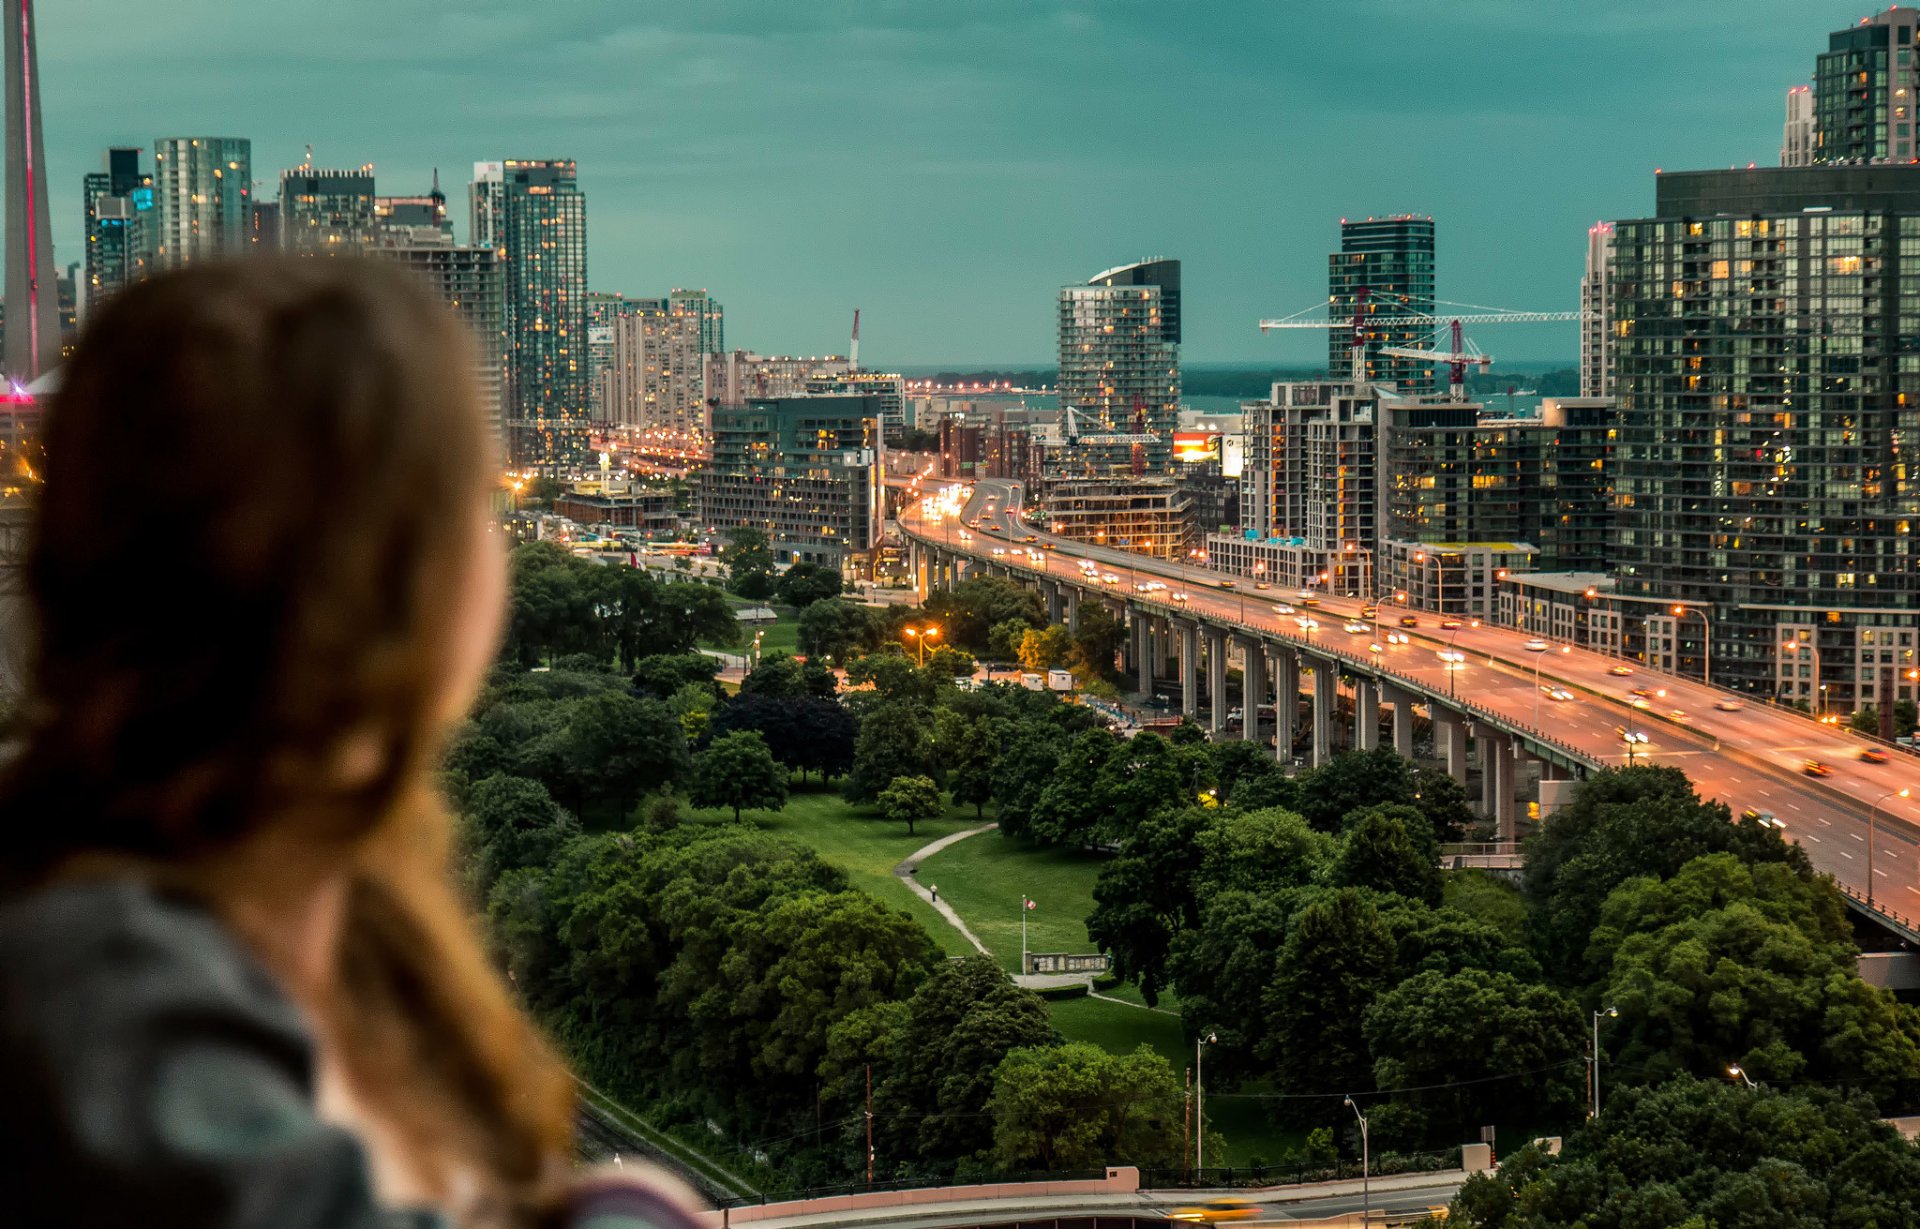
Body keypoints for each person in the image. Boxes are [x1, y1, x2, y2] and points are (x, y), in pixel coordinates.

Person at [0, 260, 704, 1228]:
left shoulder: (336, 913)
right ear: (405, 569)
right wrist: (635, 1207)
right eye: (476, 501)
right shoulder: (102, 982)